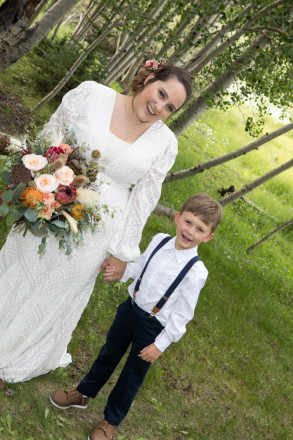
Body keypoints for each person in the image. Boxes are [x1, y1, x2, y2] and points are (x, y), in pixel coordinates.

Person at [0, 60, 192, 383]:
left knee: (56, 287)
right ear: (149, 78)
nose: (159, 106)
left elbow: (145, 197)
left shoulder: (165, 143)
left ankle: (17, 349)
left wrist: (122, 249)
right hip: (56, 192)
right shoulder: (92, 94)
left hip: (101, 227)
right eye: (160, 93)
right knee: (22, 263)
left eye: (169, 107)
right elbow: (53, 133)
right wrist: (41, 179)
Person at [50, 193, 223, 440]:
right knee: (107, 354)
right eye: (187, 222)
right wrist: (121, 272)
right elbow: (140, 266)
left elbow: (182, 315)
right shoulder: (160, 240)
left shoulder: (196, 272)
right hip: (129, 311)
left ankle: (110, 421)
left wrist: (160, 345)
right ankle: (84, 393)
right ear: (177, 217)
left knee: (131, 376)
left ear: (208, 237)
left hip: (152, 329)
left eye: (199, 229)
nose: (190, 231)